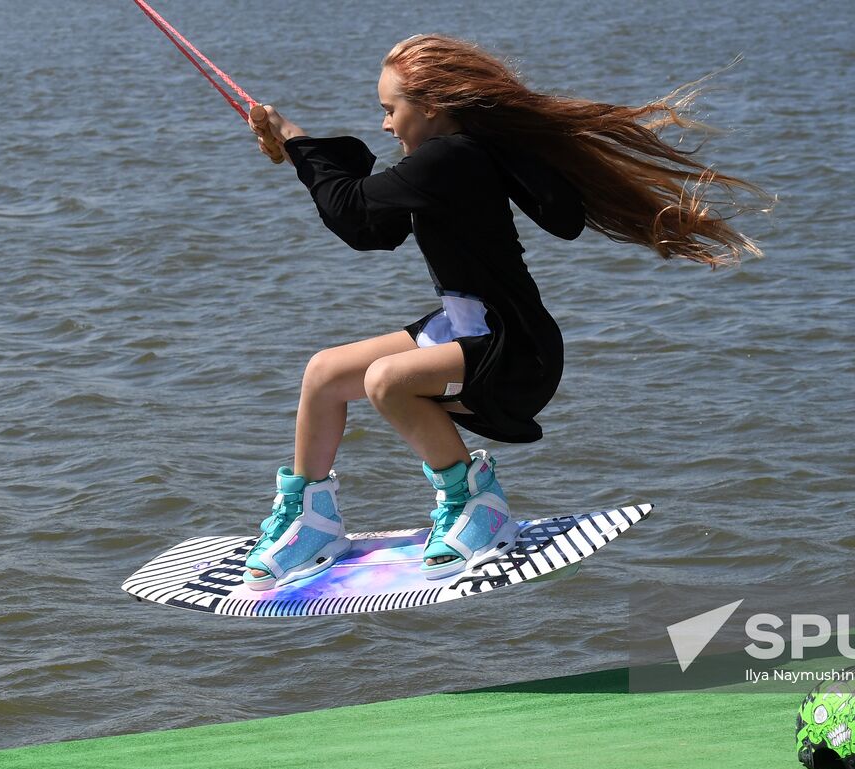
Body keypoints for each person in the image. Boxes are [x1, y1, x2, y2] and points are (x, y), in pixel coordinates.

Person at [242, 34, 764, 588]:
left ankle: (477, 504)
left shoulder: (451, 158)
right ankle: (312, 519)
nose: (386, 125)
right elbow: (371, 229)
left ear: (431, 107)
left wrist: (296, 139)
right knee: (324, 373)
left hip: (513, 346)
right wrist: (294, 144)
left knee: (385, 380)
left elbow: (349, 207)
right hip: (468, 329)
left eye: (390, 110)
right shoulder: (452, 158)